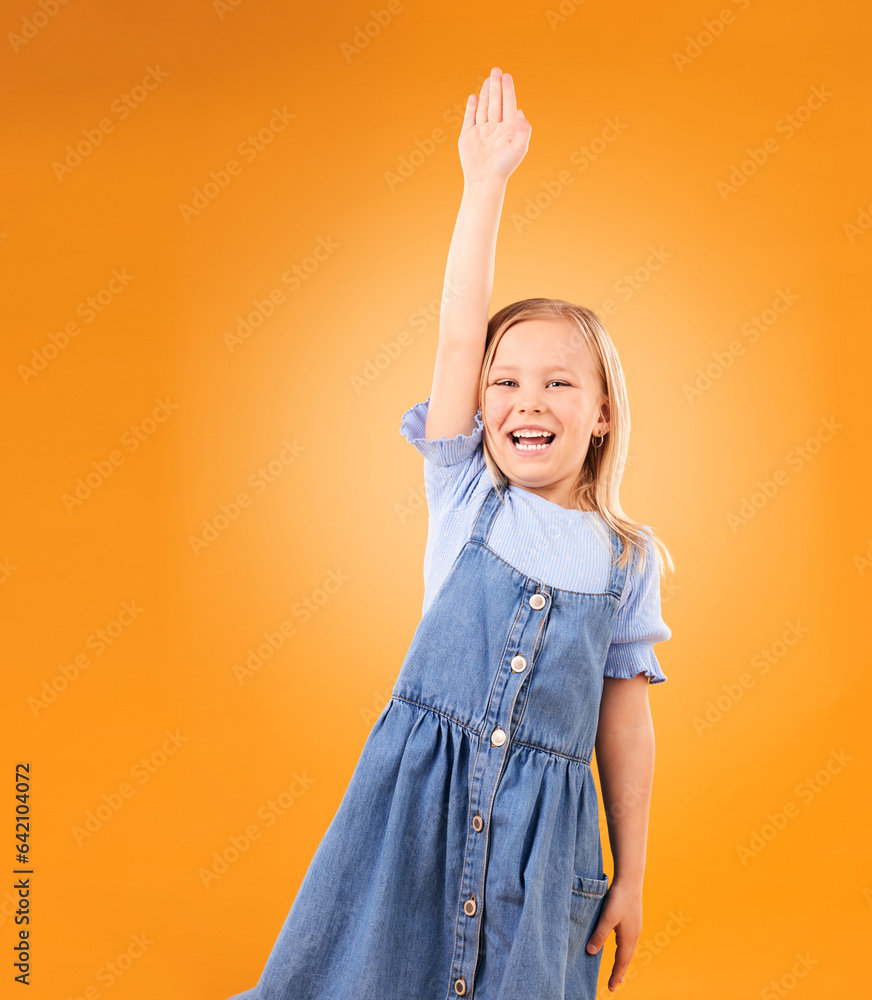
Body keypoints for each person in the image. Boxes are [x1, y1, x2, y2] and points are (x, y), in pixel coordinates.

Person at [226, 66, 675, 1000]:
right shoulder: (466, 491)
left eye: (558, 383)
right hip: (413, 813)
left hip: (542, 845)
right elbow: (455, 334)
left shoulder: (626, 559)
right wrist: (484, 186)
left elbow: (625, 724)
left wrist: (631, 874)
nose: (525, 400)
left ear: (600, 415)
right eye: (505, 381)